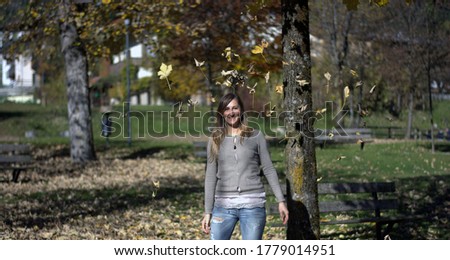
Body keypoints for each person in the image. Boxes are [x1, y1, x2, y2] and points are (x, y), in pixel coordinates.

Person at [201, 93, 288, 240]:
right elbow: (210, 177)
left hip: (253, 206)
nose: (231, 112)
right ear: (222, 113)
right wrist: (208, 211)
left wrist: (281, 201)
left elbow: (268, 168)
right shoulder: (215, 139)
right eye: (227, 109)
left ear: (241, 110)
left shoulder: (255, 136)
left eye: (235, 108)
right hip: (223, 207)